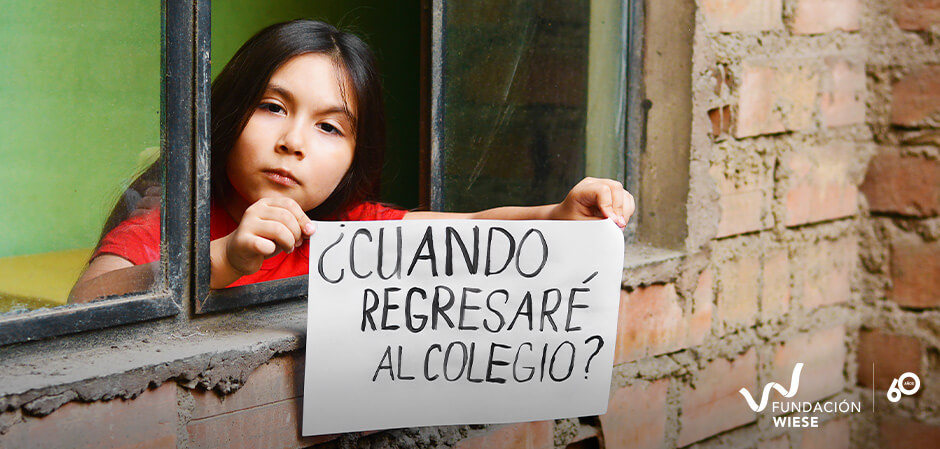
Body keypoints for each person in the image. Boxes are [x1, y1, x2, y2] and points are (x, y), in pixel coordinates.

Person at [69, 20, 634, 303]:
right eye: (271, 106)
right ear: (227, 114)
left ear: (353, 156)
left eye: (329, 126)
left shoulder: (346, 231)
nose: (294, 141)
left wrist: (560, 215)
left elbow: (472, 228)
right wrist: (223, 259)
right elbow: (86, 298)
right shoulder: (170, 227)